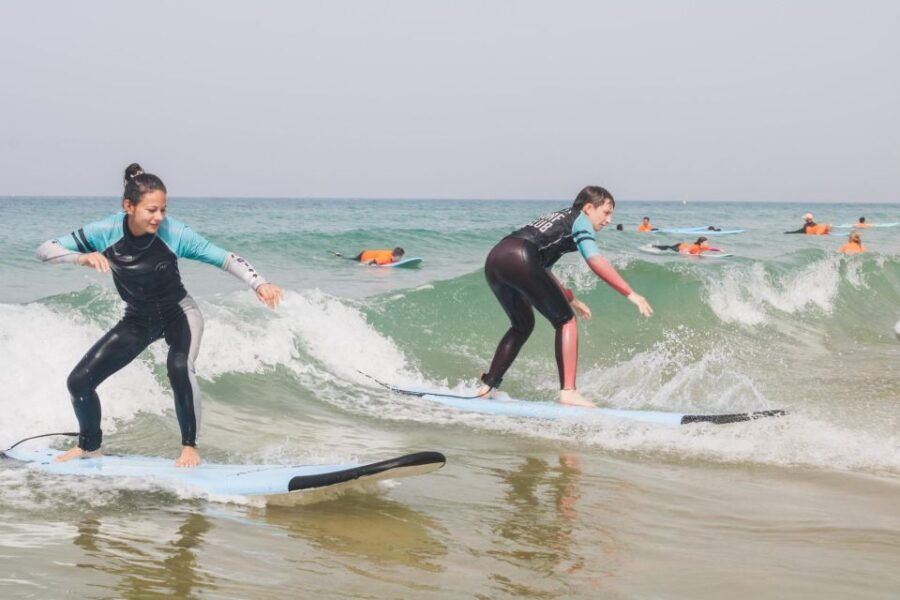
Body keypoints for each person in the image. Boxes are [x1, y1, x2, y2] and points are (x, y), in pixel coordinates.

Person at [35, 163, 283, 467]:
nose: (159, 217)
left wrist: (260, 283)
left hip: (179, 313)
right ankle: (89, 447)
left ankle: (190, 447)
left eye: (163, 209)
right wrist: (81, 257)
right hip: (137, 320)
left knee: (179, 366)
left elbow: (225, 258)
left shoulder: (174, 233)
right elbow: (45, 250)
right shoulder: (105, 232)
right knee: (79, 382)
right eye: (152, 210)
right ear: (129, 206)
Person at [478, 186, 653, 407]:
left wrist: (571, 299)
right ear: (589, 208)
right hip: (521, 256)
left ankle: (487, 387)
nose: (609, 220)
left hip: (497, 258)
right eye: (606, 212)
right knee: (566, 321)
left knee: (522, 325)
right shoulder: (580, 220)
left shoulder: (562, 218)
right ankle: (568, 392)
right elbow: (594, 260)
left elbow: (542, 271)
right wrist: (631, 293)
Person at [652, 236, 718, 255]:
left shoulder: (704, 247)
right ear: (701, 242)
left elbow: (711, 249)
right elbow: (685, 251)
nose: (707, 243)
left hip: (683, 245)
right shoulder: (694, 246)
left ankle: (656, 246)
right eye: (705, 242)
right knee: (669, 247)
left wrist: (720, 250)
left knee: (669, 247)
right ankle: (654, 246)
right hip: (679, 247)